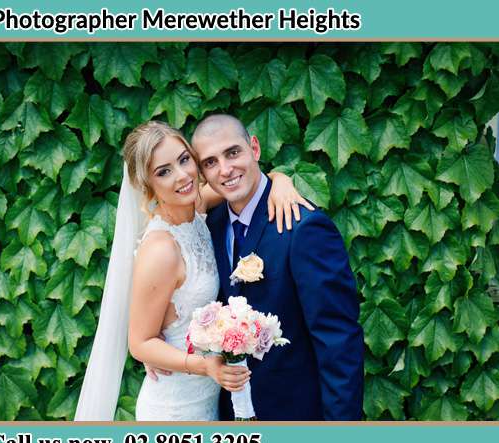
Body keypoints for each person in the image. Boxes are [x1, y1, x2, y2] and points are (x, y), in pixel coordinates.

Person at [74, 121, 311, 421]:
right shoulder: (161, 249)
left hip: (210, 399)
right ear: (147, 185)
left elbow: (244, 179)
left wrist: (280, 180)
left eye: (184, 160)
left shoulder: (196, 208)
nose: (182, 175)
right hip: (175, 406)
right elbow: (140, 343)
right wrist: (203, 366)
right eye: (163, 172)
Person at [191, 114, 364, 420]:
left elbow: (338, 340)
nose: (225, 169)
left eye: (233, 153)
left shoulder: (304, 229)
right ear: (203, 172)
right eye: (211, 162)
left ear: (254, 148)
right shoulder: (213, 225)